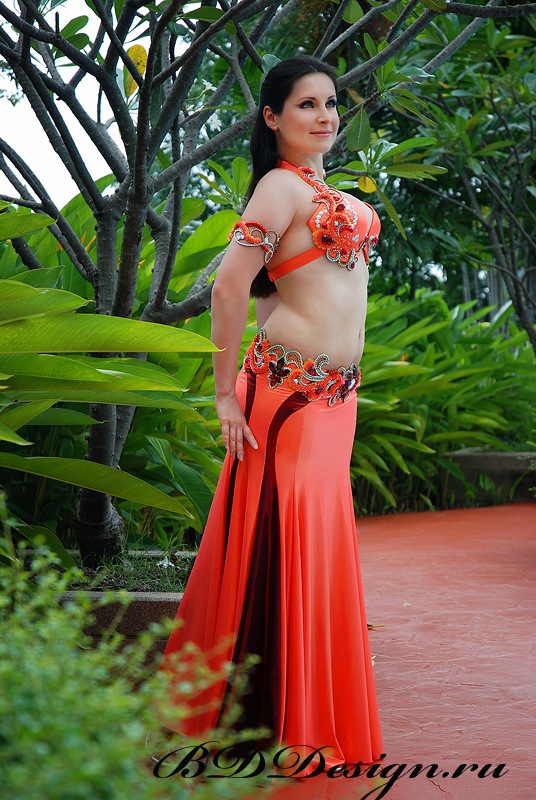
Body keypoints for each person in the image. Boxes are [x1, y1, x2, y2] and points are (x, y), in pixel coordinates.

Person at [159, 55, 383, 771]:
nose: (324, 116)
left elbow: (273, 292)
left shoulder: (320, 191)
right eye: (306, 104)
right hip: (287, 398)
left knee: (315, 540)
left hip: (333, 398)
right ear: (272, 117)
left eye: (330, 103)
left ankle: (302, 714)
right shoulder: (279, 187)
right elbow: (229, 287)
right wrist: (226, 392)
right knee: (278, 538)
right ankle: (261, 724)